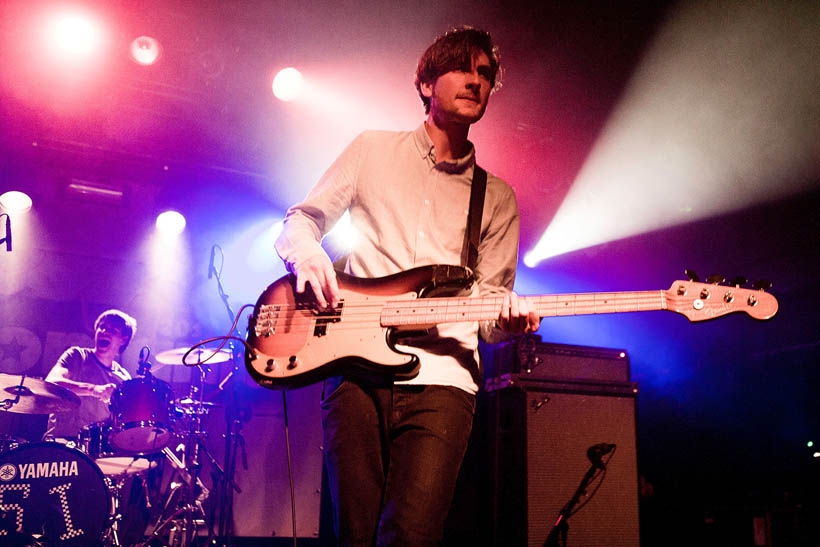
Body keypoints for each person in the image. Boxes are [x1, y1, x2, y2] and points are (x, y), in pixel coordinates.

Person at [275, 26, 540, 546]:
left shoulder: (498, 198)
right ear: (425, 82)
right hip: (353, 373)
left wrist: (505, 324)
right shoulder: (372, 150)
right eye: (462, 67)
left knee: (411, 536)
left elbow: (486, 320)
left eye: (486, 74)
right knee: (355, 534)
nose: (476, 81)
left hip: (444, 378)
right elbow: (301, 220)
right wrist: (308, 257)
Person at [45, 309, 136, 438]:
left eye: (112, 330)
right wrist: (93, 389)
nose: (104, 332)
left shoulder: (124, 378)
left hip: (95, 451)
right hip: (60, 443)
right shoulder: (76, 356)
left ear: (123, 339)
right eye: (102, 327)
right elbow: (51, 383)